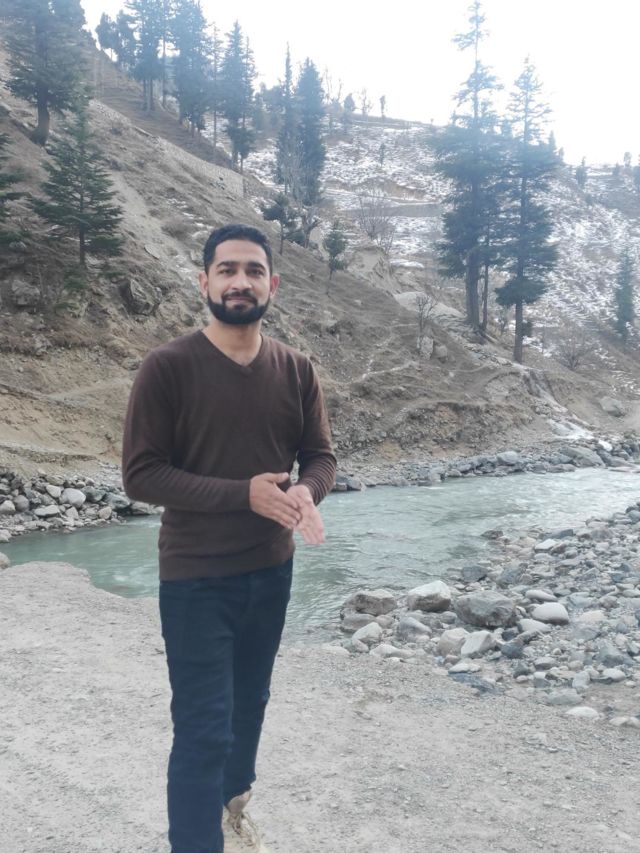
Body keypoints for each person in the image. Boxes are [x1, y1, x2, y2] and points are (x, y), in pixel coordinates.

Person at [122, 223, 336, 853]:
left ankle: (231, 812)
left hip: (270, 572)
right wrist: (244, 493)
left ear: (272, 284)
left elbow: (320, 457)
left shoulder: (296, 369)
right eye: (227, 270)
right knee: (203, 728)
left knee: (249, 708)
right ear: (204, 282)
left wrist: (307, 492)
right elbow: (141, 475)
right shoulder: (167, 367)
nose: (240, 281)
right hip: (195, 577)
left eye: (253, 270)